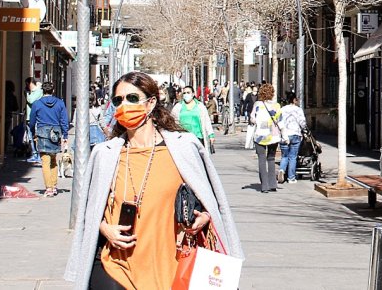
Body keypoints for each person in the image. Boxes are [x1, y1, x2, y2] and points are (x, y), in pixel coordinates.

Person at [64, 72, 242, 289]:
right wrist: (105, 229)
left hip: (173, 265)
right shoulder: (106, 154)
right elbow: (90, 212)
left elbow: (211, 202)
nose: (124, 106)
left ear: (151, 103)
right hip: (118, 266)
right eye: (118, 100)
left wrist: (203, 217)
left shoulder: (183, 147)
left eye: (131, 98)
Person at [29, 81, 69, 197]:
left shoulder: (37, 104)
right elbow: (64, 120)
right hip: (55, 133)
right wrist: (65, 135)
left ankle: (49, 188)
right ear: (53, 90)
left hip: (42, 133)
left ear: (43, 91)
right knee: (53, 160)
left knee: (45, 161)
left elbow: (32, 121)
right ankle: (54, 185)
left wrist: (32, 132)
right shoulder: (60, 103)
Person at [250, 83, 282, 192]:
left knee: (262, 160)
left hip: (260, 136)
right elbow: (280, 121)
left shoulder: (258, 104)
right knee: (271, 159)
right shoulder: (277, 106)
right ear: (272, 93)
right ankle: (273, 184)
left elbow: (252, 118)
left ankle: (264, 186)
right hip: (273, 136)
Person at [172, 86, 215, 152]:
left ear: (193, 94)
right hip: (183, 138)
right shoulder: (178, 106)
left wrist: (211, 135)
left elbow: (206, 121)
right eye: (184, 93)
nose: (186, 94)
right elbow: (172, 121)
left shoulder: (200, 106)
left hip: (197, 137)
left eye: (188, 92)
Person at [277, 92, 308, 183]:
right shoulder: (298, 110)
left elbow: (279, 121)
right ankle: (291, 178)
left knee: (284, 156)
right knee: (293, 157)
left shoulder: (282, 109)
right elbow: (302, 123)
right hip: (295, 134)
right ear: (294, 100)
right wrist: (305, 129)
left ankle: (282, 170)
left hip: (284, 134)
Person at [25, 77, 42, 164]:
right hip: (29, 117)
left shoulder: (38, 91)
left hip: (35, 117)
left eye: (27, 85)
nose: (26, 87)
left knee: (35, 137)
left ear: (30, 83)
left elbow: (30, 100)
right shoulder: (33, 92)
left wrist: (27, 93)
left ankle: (37, 155)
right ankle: (35, 154)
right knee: (31, 138)